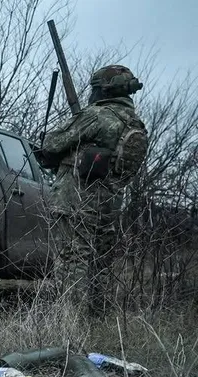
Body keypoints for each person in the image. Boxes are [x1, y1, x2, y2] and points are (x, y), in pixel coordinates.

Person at [39, 64, 149, 315]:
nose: (91, 93)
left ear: (104, 90)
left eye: (94, 88)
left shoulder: (97, 115)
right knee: (99, 262)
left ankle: (71, 321)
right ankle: (97, 317)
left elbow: (52, 143)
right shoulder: (134, 123)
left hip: (76, 199)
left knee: (72, 258)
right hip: (109, 203)